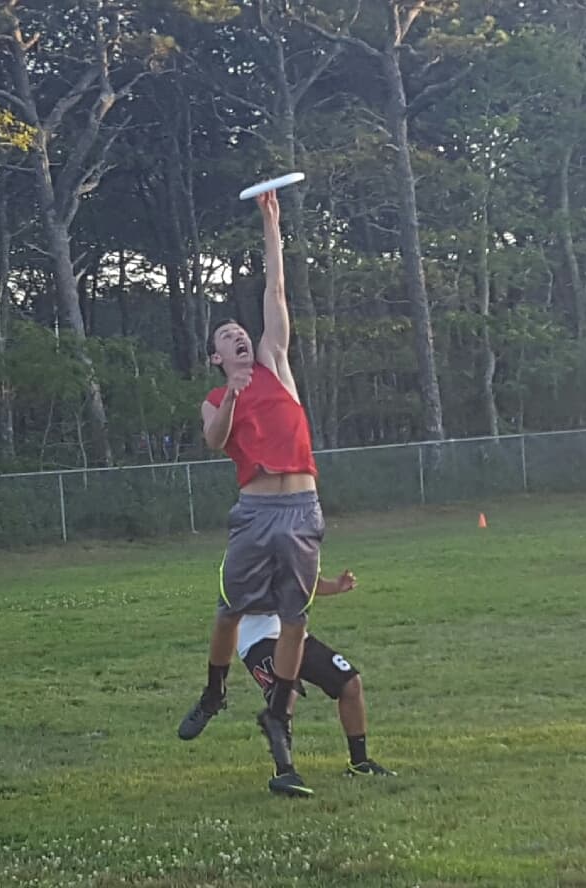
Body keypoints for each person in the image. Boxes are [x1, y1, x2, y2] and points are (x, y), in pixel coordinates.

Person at [178, 190, 324, 797]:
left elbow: (276, 292)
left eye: (240, 330)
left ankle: (279, 718)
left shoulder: (276, 365)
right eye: (227, 336)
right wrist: (234, 394)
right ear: (217, 357)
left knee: (295, 620)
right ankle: (214, 692)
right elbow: (215, 441)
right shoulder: (218, 398)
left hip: (302, 509)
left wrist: (272, 224)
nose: (238, 335)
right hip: (258, 510)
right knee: (230, 610)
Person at [239, 570, 397, 789]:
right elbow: (238, 597)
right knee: (286, 694)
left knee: (350, 683)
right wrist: (283, 594)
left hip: (294, 635)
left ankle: (359, 763)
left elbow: (308, 582)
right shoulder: (254, 552)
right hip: (257, 638)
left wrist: (334, 586)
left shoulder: (305, 549)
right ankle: (284, 773)